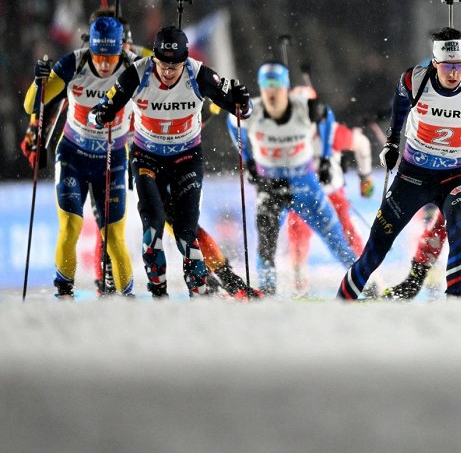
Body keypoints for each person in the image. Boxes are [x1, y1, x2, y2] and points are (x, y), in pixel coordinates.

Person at [338, 27, 461, 300]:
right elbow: (399, 102)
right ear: (435, 63)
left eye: (460, 66)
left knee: (458, 231)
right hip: (413, 177)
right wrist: (393, 142)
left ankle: (455, 301)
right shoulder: (415, 80)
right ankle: (341, 304)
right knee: (377, 247)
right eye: (447, 67)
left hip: (456, 177)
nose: (454, 73)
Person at [88, 25, 252, 297]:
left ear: (185, 59)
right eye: (163, 64)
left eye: (174, 66)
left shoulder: (198, 74)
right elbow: (97, 112)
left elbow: (240, 110)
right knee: (151, 224)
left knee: (187, 230)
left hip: (186, 159)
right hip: (146, 159)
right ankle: (155, 291)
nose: (167, 71)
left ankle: (213, 285)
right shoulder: (137, 73)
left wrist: (242, 102)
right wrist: (101, 114)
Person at [21, 16, 137, 297]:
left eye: (111, 57)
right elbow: (30, 106)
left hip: (112, 159)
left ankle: (129, 297)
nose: (105, 64)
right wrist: (39, 82)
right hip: (73, 156)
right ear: (91, 50)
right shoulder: (74, 62)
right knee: (71, 226)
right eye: (99, 56)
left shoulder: (134, 67)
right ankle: (63, 291)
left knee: (114, 237)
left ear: (121, 50)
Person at [229, 61, 358, 295]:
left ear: (286, 87)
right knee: (266, 245)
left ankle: (361, 284)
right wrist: (246, 160)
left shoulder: (305, 107)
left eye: (276, 86)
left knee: (337, 239)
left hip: (305, 186)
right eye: (266, 86)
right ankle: (267, 292)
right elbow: (232, 122)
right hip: (270, 188)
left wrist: (327, 158)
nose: (271, 92)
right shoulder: (251, 112)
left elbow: (327, 117)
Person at [285, 120, 373, 294]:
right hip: (305, 193)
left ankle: (367, 279)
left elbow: (362, 143)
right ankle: (299, 284)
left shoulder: (332, 131)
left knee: (348, 233)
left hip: (332, 192)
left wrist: (365, 177)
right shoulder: (288, 132)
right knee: (297, 233)